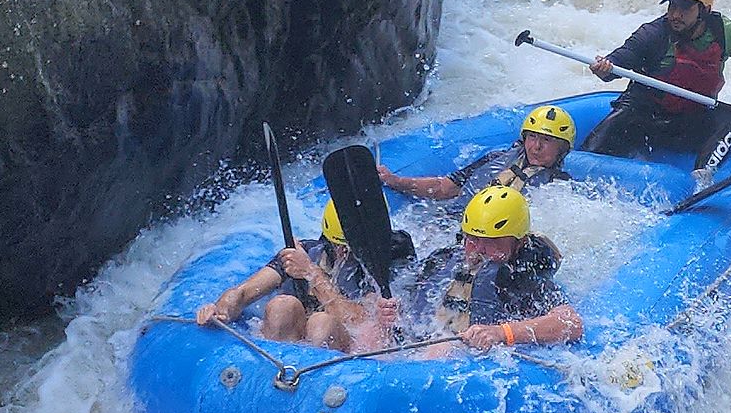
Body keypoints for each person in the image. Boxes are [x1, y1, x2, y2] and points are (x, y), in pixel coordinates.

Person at [586, 0, 731, 175]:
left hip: (688, 122)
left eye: (684, 8)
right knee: (621, 116)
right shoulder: (653, 34)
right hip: (644, 118)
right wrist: (605, 67)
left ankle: (702, 179)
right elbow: (622, 58)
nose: (675, 14)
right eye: (672, 6)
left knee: (726, 121)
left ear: (704, 10)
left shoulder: (723, 31)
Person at [383, 185, 583, 355]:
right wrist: (393, 310)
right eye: (473, 239)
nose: (479, 250)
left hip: (458, 355)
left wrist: (501, 333)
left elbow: (571, 322)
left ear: (519, 243)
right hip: (417, 344)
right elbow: (410, 297)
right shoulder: (444, 259)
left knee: (443, 348)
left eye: (492, 242)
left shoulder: (522, 273)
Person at [194, 200, 413, 351]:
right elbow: (243, 293)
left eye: (353, 248)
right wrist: (221, 310)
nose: (345, 253)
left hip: (343, 349)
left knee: (321, 323)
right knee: (282, 306)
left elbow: (360, 322)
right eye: (340, 246)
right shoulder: (307, 251)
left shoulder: (384, 264)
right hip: (291, 348)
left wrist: (311, 274)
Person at [378, 104, 576, 200]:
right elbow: (444, 187)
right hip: (452, 226)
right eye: (532, 137)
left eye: (547, 140)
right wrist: (396, 181)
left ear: (562, 149)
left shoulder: (558, 187)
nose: (536, 147)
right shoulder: (497, 158)